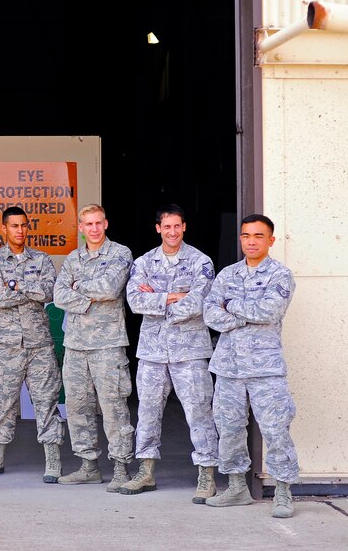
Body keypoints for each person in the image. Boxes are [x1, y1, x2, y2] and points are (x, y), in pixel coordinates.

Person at [120, 204, 219, 502]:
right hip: (152, 352)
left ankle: (207, 474)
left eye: (177, 226)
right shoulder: (144, 262)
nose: (172, 232)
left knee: (199, 412)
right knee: (148, 412)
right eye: (167, 227)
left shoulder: (201, 261)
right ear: (158, 229)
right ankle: (146, 471)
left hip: (190, 352)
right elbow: (134, 301)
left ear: (184, 227)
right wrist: (175, 297)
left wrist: (158, 301)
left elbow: (200, 302)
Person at [203, 214, 299, 518]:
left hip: (265, 368)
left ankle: (283, 491)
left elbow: (270, 311)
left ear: (271, 240)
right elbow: (210, 314)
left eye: (258, 236)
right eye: (246, 235)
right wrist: (245, 316)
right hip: (229, 368)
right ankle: (236, 488)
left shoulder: (280, 275)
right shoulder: (227, 274)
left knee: (275, 429)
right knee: (229, 428)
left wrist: (231, 305)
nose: (251, 241)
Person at [0, 207, 64, 482]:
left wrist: (15, 285)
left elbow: (49, 292)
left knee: (46, 401)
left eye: (24, 225)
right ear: (4, 228)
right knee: (2, 401)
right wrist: (29, 289)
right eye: (14, 226)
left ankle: (53, 460)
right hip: (6, 345)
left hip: (39, 344)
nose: (20, 230)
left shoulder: (41, 259)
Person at [53, 203, 134, 492]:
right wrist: (89, 295)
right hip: (76, 345)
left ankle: (121, 467)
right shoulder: (73, 258)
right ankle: (88, 466)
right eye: (88, 224)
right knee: (77, 406)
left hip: (108, 344)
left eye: (98, 223)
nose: (94, 229)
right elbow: (59, 295)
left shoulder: (120, 253)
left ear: (106, 224)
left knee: (113, 407)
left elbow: (111, 288)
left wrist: (78, 288)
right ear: (81, 227)